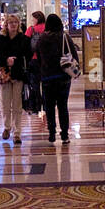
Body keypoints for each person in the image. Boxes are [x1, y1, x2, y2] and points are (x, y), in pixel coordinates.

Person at [37, 13, 76, 144]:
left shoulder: (42, 39)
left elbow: (38, 56)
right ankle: (64, 134)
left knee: (49, 106)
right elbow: (74, 54)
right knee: (62, 106)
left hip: (47, 77)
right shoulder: (65, 36)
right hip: (63, 77)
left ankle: (51, 133)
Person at [0, 12, 30, 144]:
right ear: (6, 25)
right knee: (4, 102)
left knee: (17, 104)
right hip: (4, 74)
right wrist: (5, 60)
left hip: (18, 74)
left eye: (15, 22)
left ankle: (17, 132)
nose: (13, 25)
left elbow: (28, 55)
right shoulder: (0, 39)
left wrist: (16, 61)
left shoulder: (23, 39)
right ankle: (6, 127)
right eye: (11, 22)